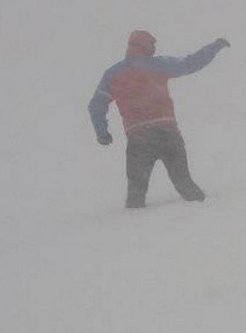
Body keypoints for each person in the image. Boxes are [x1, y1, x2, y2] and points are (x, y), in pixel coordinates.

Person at [88, 30, 229, 209]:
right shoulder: (158, 65)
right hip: (168, 134)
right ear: (145, 46)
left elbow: (96, 105)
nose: (154, 49)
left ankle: (130, 232)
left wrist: (102, 132)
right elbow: (190, 63)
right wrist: (214, 47)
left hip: (139, 139)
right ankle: (209, 218)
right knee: (185, 185)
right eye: (152, 45)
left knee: (136, 196)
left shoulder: (113, 73)